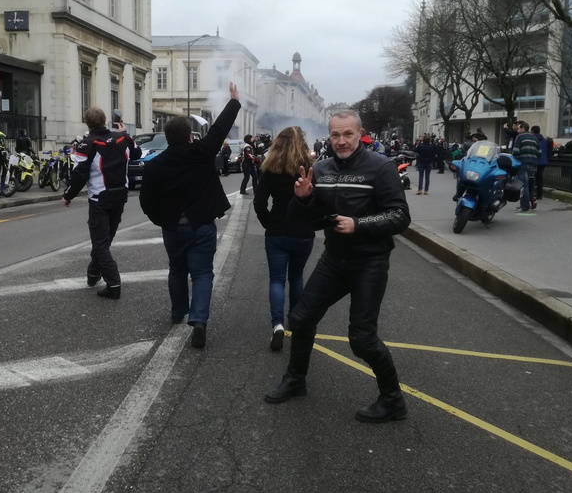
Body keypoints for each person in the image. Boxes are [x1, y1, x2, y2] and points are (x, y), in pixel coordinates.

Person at [264, 109, 411, 424]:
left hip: (369, 260)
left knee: (362, 339)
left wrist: (358, 225)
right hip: (334, 258)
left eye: (347, 134)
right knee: (300, 318)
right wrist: (302, 199)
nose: (341, 141)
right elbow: (304, 219)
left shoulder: (381, 167)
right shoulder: (321, 169)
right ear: (328, 136)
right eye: (335, 135)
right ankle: (295, 379)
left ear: (359, 133)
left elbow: (400, 216)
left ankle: (393, 399)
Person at [139, 83, 241, 348]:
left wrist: (160, 220)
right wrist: (233, 102)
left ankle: (177, 312)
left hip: (172, 226)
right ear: (189, 136)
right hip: (201, 225)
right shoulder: (201, 153)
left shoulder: (155, 166)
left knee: (176, 269)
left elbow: (146, 201)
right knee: (202, 273)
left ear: (167, 137)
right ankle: (198, 320)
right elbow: (219, 129)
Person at [62, 107, 141, 299]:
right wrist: (126, 135)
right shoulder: (122, 138)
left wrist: (68, 195)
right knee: (104, 241)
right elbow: (137, 153)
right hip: (120, 196)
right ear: (105, 120)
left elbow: (80, 174)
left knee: (100, 243)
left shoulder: (87, 143)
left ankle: (113, 283)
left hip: (100, 198)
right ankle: (93, 273)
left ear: (87, 122)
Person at [253, 126, 316, 351]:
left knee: (276, 280)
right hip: (303, 232)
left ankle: (277, 325)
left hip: (278, 230)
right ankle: (296, 320)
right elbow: (316, 201)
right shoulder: (308, 168)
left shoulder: (270, 168)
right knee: (297, 278)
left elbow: (259, 203)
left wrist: (268, 223)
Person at [512, 121, 541, 213]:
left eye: (519, 128)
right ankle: (524, 205)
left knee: (523, 185)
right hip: (533, 164)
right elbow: (539, 152)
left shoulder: (520, 137)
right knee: (528, 184)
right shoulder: (534, 138)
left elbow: (515, 152)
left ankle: (525, 207)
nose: (518, 130)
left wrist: (516, 160)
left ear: (523, 128)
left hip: (523, 163)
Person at [531, 125, 548, 201]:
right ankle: (539, 194)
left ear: (532, 131)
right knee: (540, 178)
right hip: (543, 161)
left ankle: (533, 193)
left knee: (532, 177)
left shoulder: (533, 139)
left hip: (536, 160)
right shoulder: (544, 140)